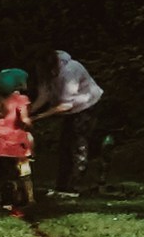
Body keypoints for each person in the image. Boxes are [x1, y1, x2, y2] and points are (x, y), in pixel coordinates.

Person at [33, 48, 106, 200]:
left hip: (87, 107)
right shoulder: (46, 71)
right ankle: (62, 187)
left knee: (77, 146)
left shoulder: (69, 71)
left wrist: (39, 117)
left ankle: (73, 187)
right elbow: (44, 95)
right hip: (71, 110)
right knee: (65, 146)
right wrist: (28, 111)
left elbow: (66, 105)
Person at [0, 68, 38, 218]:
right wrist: (31, 125)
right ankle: (8, 204)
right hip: (11, 144)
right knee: (10, 175)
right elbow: (24, 120)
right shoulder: (21, 100)